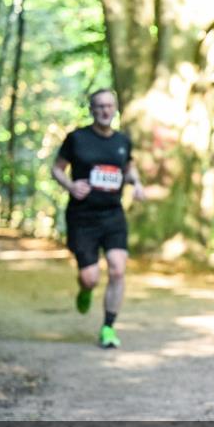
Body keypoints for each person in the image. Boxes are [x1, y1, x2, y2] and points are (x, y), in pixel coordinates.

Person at [52, 89, 145, 349]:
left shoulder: (122, 141)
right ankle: (84, 290)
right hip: (82, 217)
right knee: (90, 277)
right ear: (92, 109)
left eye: (109, 106)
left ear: (115, 109)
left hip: (113, 214)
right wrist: (70, 186)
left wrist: (136, 184)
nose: (105, 111)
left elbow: (128, 167)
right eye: (100, 106)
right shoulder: (77, 139)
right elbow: (56, 168)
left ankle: (108, 328)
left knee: (118, 269)